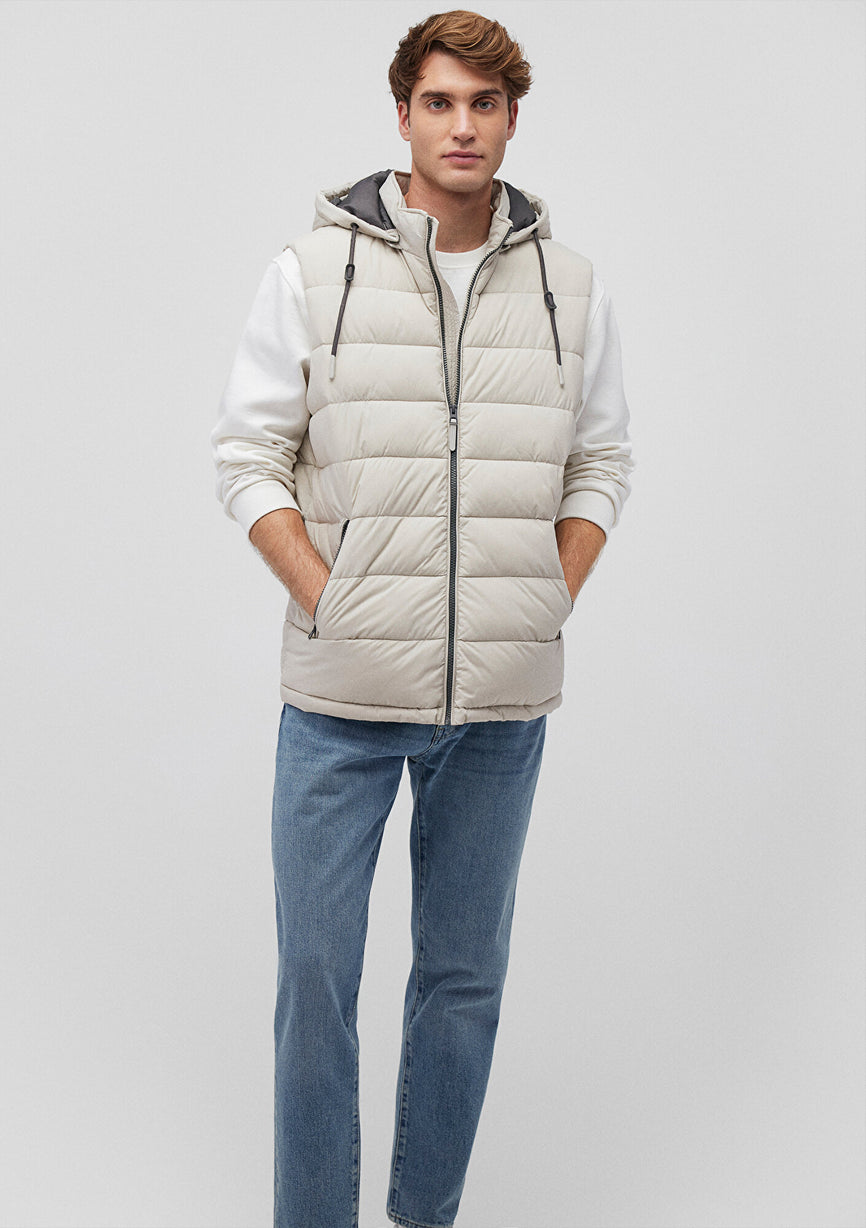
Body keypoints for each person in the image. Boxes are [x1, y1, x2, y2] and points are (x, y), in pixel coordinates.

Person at [211, 9, 634, 1227]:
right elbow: (246, 455)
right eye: (438, 103)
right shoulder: (310, 271)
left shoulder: (569, 287)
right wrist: (327, 595)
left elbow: (599, 460)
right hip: (338, 699)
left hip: (498, 707)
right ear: (401, 114)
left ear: (510, 118)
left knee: (460, 981)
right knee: (314, 979)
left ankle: (423, 1215)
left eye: (482, 105)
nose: (461, 126)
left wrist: (544, 593)